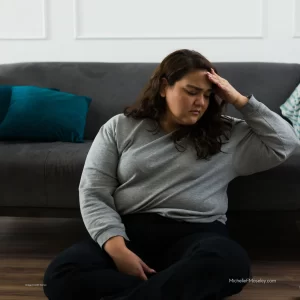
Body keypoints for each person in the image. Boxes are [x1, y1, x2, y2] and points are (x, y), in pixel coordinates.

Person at [43, 49, 300, 300]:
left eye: (208, 95)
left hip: (198, 233)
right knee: (60, 276)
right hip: (130, 231)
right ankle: (173, 287)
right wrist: (118, 250)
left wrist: (239, 100)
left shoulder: (228, 134)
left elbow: (286, 142)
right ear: (164, 87)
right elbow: (93, 191)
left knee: (232, 266)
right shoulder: (120, 126)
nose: (200, 102)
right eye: (191, 92)